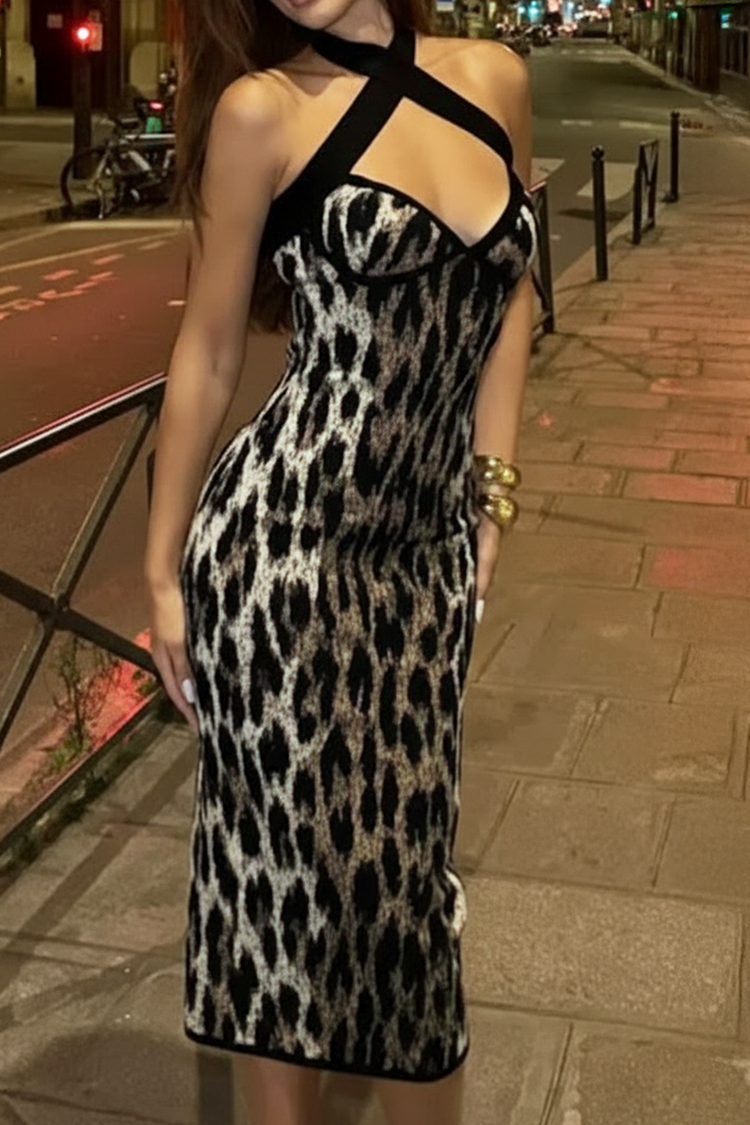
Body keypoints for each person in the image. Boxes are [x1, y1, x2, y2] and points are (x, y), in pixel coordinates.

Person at [143, 0, 537, 1119]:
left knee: (404, 899)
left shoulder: (496, 78)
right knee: (285, 892)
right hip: (284, 559)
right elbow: (209, 351)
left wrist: (494, 491)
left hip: (422, 561)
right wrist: (163, 572)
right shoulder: (260, 111)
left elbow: (513, 290)